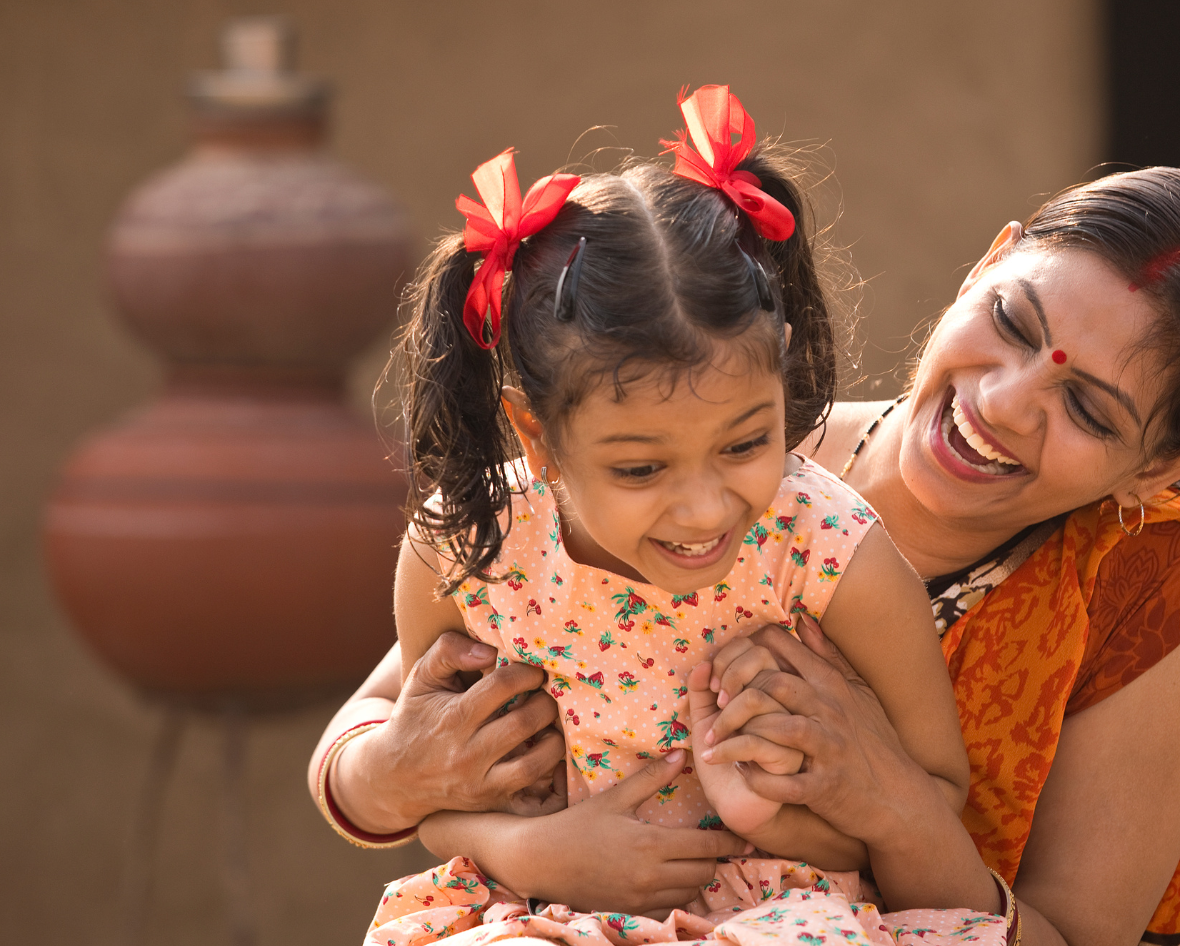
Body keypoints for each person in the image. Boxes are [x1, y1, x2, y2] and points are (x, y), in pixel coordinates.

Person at [314, 162, 1180, 946]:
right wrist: (445, 803)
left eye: (1088, 407)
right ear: (986, 263)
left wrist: (890, 806)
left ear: (1164, 463)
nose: (1002, 402)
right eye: (1010, 323)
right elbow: (393, 727)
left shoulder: (1140, 588)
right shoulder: (705, 441)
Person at [339, 86, 1015, 946]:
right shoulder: (471, 550)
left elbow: (933, 795)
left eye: (744, 444)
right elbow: (431, 779)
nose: (704, 506)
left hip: (787, 916)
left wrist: (769, 821)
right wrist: (534, 853)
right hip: (535, 911)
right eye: (640, 467)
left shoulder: (827, 552)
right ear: (536, 436)